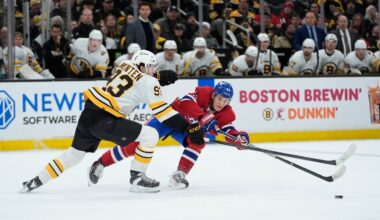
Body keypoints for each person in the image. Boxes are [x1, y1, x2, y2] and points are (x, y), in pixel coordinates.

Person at [20, 49, 194, 193]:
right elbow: (162, 112)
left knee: (73, 155)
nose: (153, 70)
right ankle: (138, 178)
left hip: (88, 113)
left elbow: (137, 77)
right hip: (106, 119)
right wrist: (188, 127)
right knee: (150, 135)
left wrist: (156, 75)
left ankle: (36, 180)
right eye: (150, 67)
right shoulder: (150, 82)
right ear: (142, 66)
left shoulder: (125, 64)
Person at [88, 81, 250, 189]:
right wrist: (201, 119)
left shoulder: (227, 113)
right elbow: (186, 103)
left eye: (226, 101)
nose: (222, 103)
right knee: (136, 146)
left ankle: (179, 175)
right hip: (168, 118)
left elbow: (228, 129)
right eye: (220, 98)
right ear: (214, 95)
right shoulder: (202, 93)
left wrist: (239, 138)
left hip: (185, 129)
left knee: (198, 143)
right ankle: (100, 163)